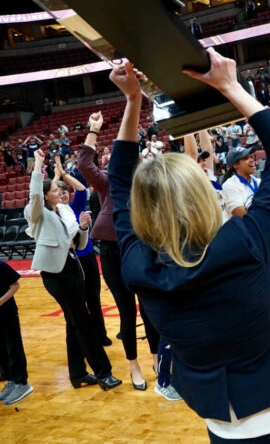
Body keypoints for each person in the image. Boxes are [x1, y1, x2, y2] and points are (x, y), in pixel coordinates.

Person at [109, 52, 270, 442]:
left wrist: (132, 102)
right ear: (201, 196)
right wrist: (229, 85)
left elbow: (120, 187)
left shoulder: (136, 266)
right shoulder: (243, 240)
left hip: (226, 430)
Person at [25, 149, 121, 391]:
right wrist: (38, 164)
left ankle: (77, 374)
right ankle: (103, 372)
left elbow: (77, 241)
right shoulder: (36, 213)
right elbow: (34, 195)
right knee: (83, 321)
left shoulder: (63, 210)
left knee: (73, 322)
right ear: (45, 195)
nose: (59, 192)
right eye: (55, 190)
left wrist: (83, 227)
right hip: (56, 274)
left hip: (71, 266)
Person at [78, 112, 159, 390]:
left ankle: (157, 359)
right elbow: (84, 163)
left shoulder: (145, 183)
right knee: (126, 311)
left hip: (142, 248)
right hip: (112, 252)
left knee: (149, 307)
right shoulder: (108, 183)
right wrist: (93, 129)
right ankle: (133, 366)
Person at [55, 156, 109, 347]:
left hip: (86, 258)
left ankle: (100, 334)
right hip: (70, 261)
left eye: (64, 192)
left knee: (94, 298)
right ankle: (85, 338)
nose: (62, 195)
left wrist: (64, 175)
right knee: (78, 302)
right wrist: (56, 179)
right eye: (58, 192)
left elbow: (81, 189)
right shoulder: (53, 213)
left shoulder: (74, 207)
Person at [0, 260, 32, 405]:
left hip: (7, 313)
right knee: (2, 351)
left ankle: (22, 383)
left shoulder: (1, 265)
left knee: (13, 348)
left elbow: (15, 285)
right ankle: (11, 380)